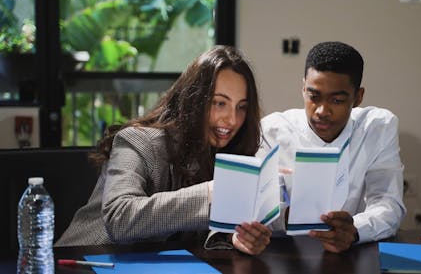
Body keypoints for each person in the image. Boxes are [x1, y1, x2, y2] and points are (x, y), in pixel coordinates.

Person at [56, 46, 272, 255]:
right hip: (83, 260)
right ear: (194, 100)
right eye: (219, 103)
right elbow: (119, 218)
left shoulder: (224, 153)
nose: (232, 119)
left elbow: (199, 229)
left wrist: (234, 237)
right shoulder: (136, 140)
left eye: (241, 107)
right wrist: (209, 194)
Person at [259, 41, 406, 253]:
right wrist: (286, 216)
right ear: (303, 89)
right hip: (287, 256)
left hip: (354, 254)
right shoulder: (273, 130)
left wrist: (354, 230)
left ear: (358, 97)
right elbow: (262, 207)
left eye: (336, 100)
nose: (322, 111)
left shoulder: (377, 128)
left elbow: (388, 203)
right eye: (313, 97)